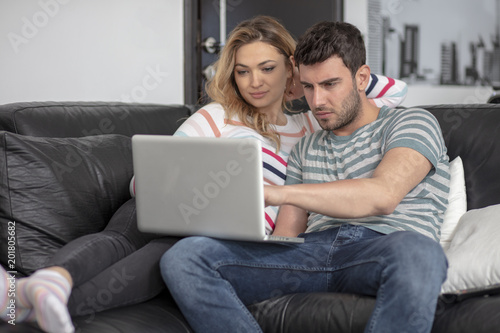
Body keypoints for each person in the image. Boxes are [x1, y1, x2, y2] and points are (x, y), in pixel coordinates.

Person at [0, 16, 407, 333]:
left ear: (291, 66)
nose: (255, 82)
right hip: (167, 211)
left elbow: (392, 92)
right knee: (128, 233)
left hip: (228, 240)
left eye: (268, 68)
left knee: (169, 255)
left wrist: (305, 81)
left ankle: (31, 300)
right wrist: (179, 190)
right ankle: (45, 281)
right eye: (243, 71)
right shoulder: (216, 116)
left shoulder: (310, 126)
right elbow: (154, 175)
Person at [160, 20, 450, 333]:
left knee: (421, 253)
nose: (317, 102)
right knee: (185, 257)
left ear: (362, 78)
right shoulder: (307, 146)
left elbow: (382, 196)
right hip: (313, 252)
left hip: (386, 247)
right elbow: (286, 238)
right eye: (308, 87)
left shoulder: (412, 122)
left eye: (330, 84)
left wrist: (274, 193)